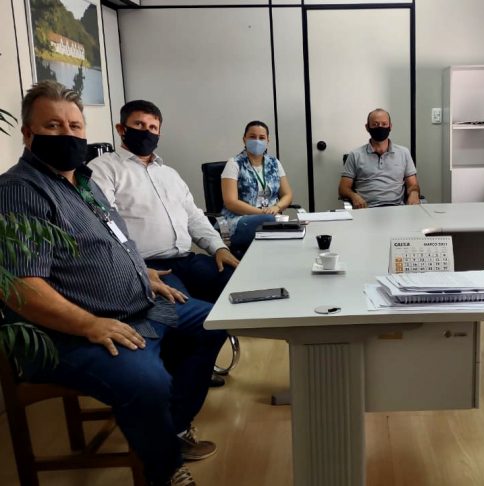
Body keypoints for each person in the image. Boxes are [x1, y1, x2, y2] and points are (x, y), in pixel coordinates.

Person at [0, 81, 227, 486]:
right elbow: (21, 287)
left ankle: (169, 429)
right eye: (53, 126)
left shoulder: (82, 183)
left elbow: (117, 241)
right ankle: (163, 469)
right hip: (73, 334)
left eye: (74, 126)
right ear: (28, 134)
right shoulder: (21, 191)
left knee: (212, 322)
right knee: (149, 382)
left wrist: (144, 273)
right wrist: (89, 324)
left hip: (139, 306)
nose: (67, 134)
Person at [88, 100, 240, 305]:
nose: (147, 131)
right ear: (121, 129)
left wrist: (219, 248)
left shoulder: (169, 174)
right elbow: (104, 222)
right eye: (139, 124)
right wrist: (136, 267)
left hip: (186, 260)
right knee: (189, 310)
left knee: (242, 283)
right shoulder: (103, 168)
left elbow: (194, 216)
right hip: (147, 265)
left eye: (153, 127)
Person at [220, 120, 294, 254]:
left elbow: (287, 194)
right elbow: (231, 202)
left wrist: (277, 207)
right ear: (244, 139)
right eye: (252, 137)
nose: (257, 141)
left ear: (268, 140)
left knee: (286, 226)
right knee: (271, 222)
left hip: (271, 217)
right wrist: (263, 213)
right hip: (238, 221)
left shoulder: (274, 163)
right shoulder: (234, 163)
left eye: (261, 138)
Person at [339, 108, 421, 208]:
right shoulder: (355, 155)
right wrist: (354, 196)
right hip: (366, 209)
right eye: (375, 124)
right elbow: (343, 188)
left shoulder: (404, 153)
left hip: (397, 208)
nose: (380, 127)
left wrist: (414, 193)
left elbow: (413, 185)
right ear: (367, 127)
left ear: (390, 126)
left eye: (384, 124)